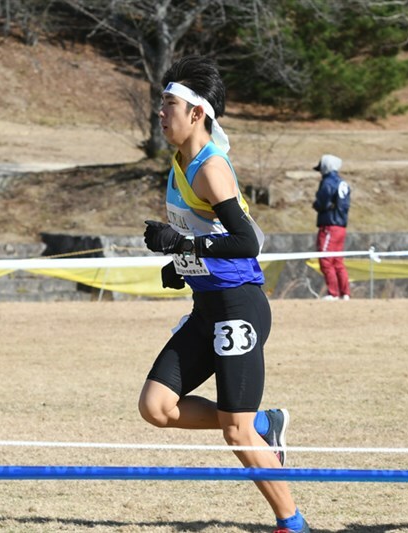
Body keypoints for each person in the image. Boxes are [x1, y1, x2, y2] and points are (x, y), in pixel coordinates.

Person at [138, 56, 310, 533]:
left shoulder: (211, 167)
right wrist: (181, 265)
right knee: (156, 407)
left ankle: (292, 522)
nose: (160, 112)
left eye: (169, 104)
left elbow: (247, 242)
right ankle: (262, 425)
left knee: (234, 431)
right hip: (207, 307)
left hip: (239, 308)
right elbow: (206, 235)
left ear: (197, 113)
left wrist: (182, 245)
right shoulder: (177, 162)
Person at [312, 154, 351, 300]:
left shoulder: (328, 182)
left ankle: (333, 293)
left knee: (325, 259)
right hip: (341, 226)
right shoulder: (343, 183)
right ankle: (345, 293)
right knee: (338, 261)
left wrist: (317, 205)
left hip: (329, 225)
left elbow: (321, 202)